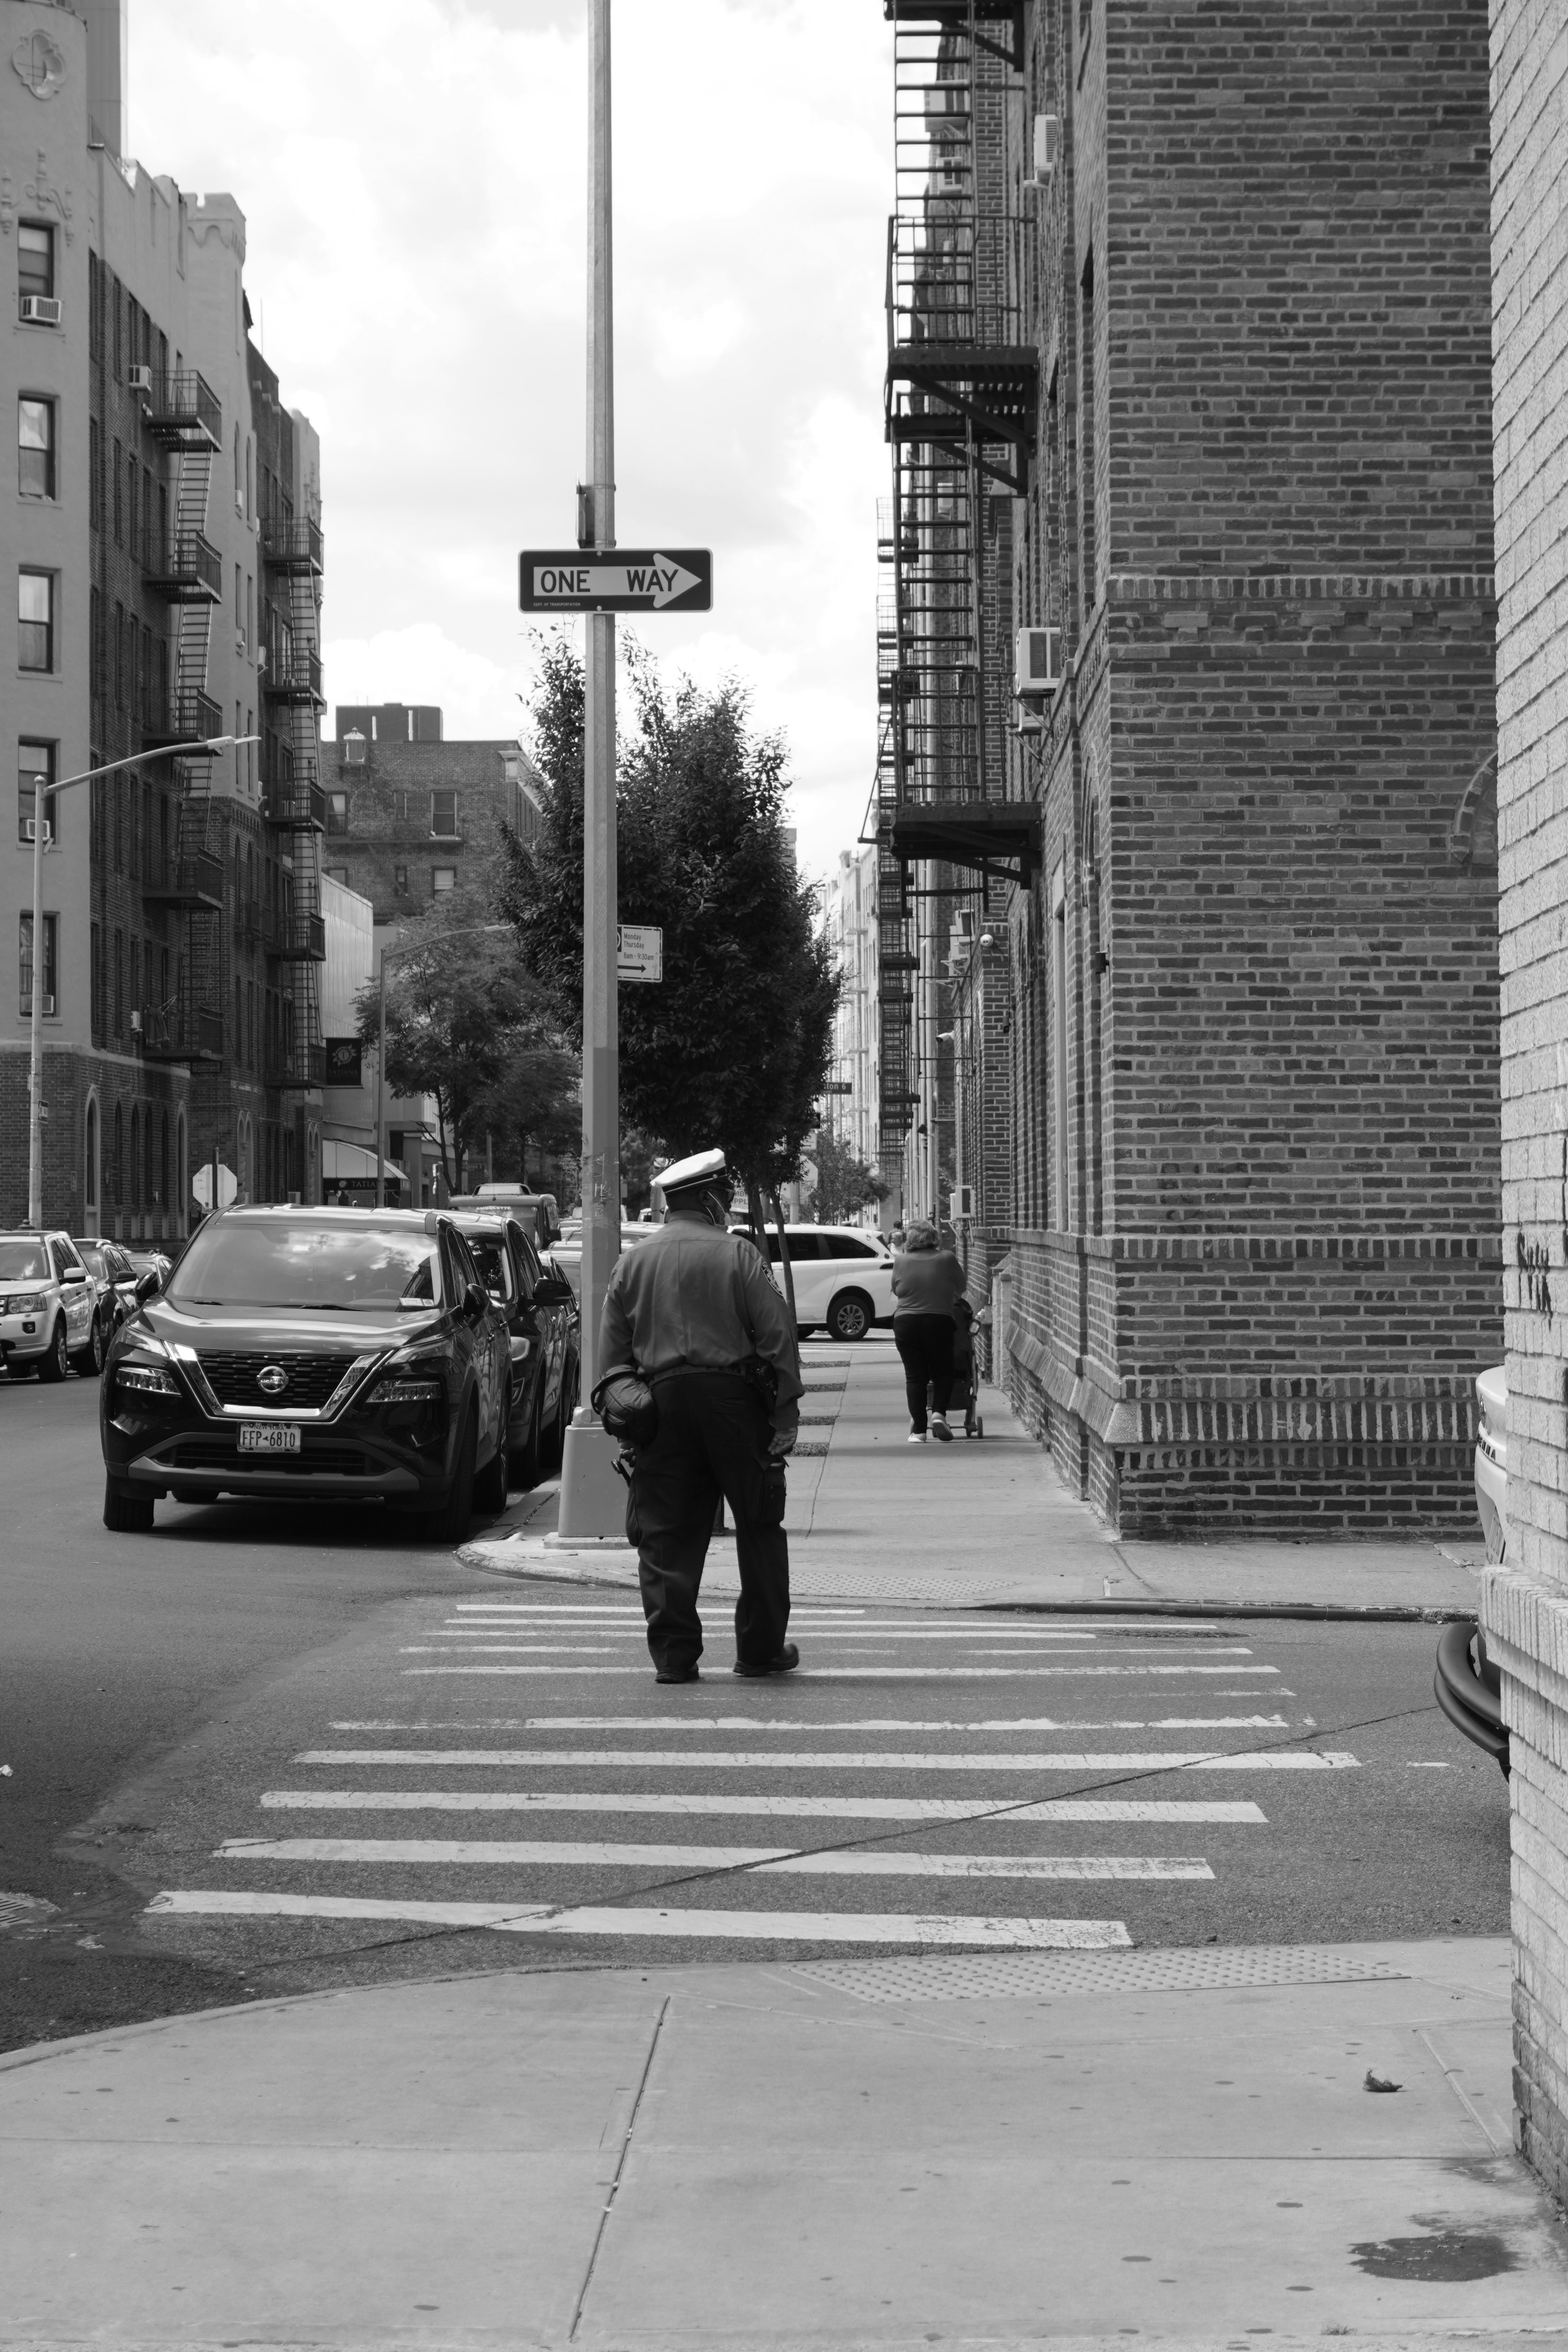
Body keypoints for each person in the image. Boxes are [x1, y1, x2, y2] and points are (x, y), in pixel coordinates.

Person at [597, 1147, 804, 1685]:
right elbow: (778, 1338)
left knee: (665, 1534)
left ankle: (674, 1657)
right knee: (759, 1524)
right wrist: (785, 1415)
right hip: (735, 1405)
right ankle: (759, 1651)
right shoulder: (739, 1255)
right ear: (711, 1198)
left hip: (659, 1407)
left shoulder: (632, 1262)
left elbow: (610, 1361)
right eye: (725, 1194)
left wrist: (625, 1427)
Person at [892, 1220, 967, 1443]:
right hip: (939, 1322)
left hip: (906, 1324)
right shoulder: (947, 1258)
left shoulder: (900, 1260)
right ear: (934, 1237)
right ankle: (938, 1414)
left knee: (915, 1377)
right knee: (943, 1372)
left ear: (910, 1240)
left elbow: (897, 1289)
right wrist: (945, 1298)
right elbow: (961, 1286)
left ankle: (919, 1431)